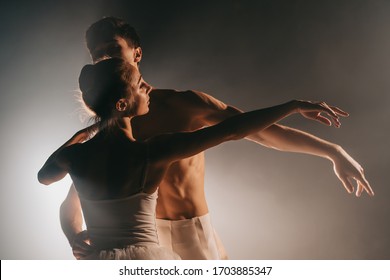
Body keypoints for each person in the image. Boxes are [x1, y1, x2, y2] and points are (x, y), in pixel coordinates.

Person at [61, 17, 373, 260]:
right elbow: (72, 199)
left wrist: (333, 151)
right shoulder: (103, 131)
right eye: (97, 55)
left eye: (113, 49)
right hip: (140, 243)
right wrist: (74, 234)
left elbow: (258, 131)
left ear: (136, 53)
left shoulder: (185, 104)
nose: (105, 59)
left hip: (193, 233)